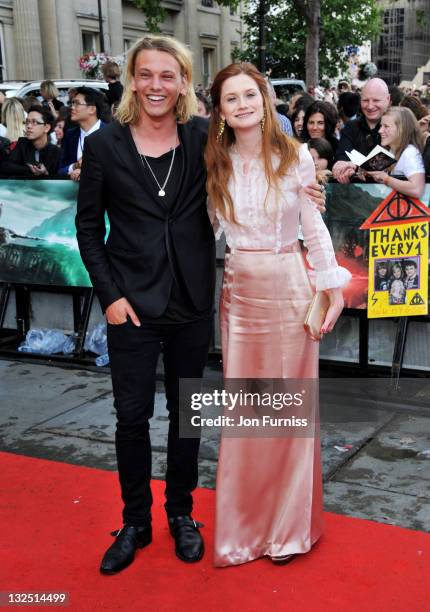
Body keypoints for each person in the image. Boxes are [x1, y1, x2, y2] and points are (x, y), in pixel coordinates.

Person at [76, 35, 326, 576]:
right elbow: (88, 230)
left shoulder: (203, 140)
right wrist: (110, 297)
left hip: (192, 303)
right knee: (130, 418)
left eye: (169, 75)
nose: (157, 85)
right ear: (132, 81)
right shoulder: (103, 147)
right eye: (147, 75)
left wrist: (308, 188)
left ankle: (182, 515)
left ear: (184, 83)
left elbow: (259, 168)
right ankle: (135, 522)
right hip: (131, 307)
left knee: (187, 418)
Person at [205, 62, 350, 567]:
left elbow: (314, 229)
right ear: (219, 111)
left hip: (290, 290)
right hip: (240, 295)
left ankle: (288, 531)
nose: (243, 105)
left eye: (251, 95)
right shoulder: (215, 163)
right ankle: (244, 528)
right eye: (231, 99)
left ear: (265, 101)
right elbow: (202, 228)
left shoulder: (296, 157)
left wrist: (331, 286)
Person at [333, 78, 391, 183]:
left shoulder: (397, 127)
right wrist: (342, 167)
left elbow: (394, 155)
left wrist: (355, 166)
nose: (370, 106)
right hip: (356, 194)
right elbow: (342, 155)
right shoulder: (351, 126)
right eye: (365, 100)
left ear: (388, 99)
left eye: (376, 100)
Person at [364, 107, 425, 199]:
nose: (380, 130)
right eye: (381, 126)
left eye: (386, 126)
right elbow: (372, 171)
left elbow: (417, 189)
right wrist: (363, 171)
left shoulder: (410, 152)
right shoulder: (391, 150)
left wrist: (386, 179)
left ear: (402, 129)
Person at [59, 86, 107, 181]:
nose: (72, 107)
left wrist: (87, 171)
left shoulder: (110, 134)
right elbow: (60, 170)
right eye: (72, 103)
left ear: (92, 109)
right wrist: (75, 166)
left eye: (77, 104)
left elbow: (116, 171)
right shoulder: (70, 134)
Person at [1, 106, 60, 177]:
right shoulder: (22, 143)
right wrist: (29, 170)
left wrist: (46, 173)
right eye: (27, 122)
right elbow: (6, 166)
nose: (28, 126)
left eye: (34, 122)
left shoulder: (55, 152)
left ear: (46, 128)